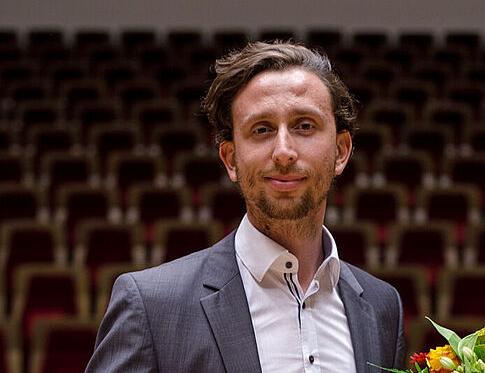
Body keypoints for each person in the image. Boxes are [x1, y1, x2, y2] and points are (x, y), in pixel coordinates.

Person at [85, 41, 404, 373]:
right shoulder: (151, 307)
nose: (283, 151)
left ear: (340, 151)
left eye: (305, 126)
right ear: (231, 159)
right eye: (262, 129)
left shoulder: (383, 309)